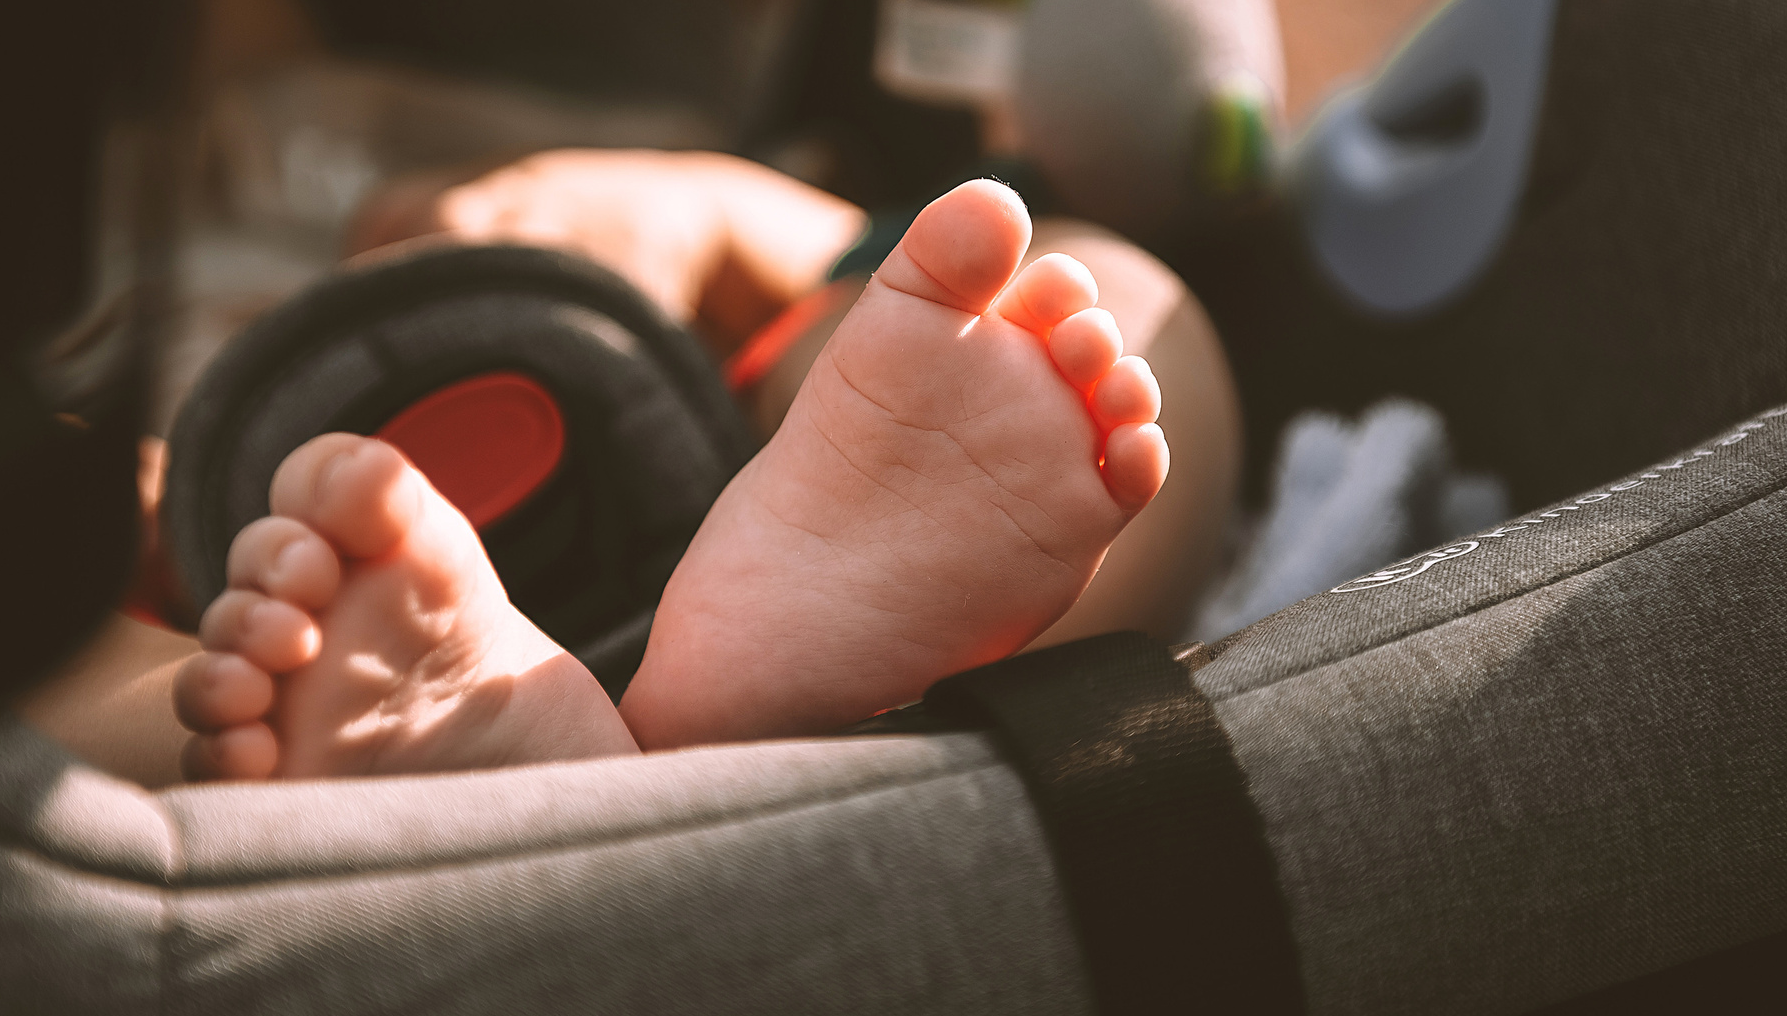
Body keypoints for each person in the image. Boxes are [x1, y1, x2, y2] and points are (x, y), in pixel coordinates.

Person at [171, 176, 1172, 777]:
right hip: (717, 471)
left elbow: (738, 219)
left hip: (717, 459)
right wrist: (684, 202)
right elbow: (753, 222)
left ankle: (576, 772)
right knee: (1128, 300)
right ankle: (675, 742)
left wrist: (674, 206)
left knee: (1056, 313)